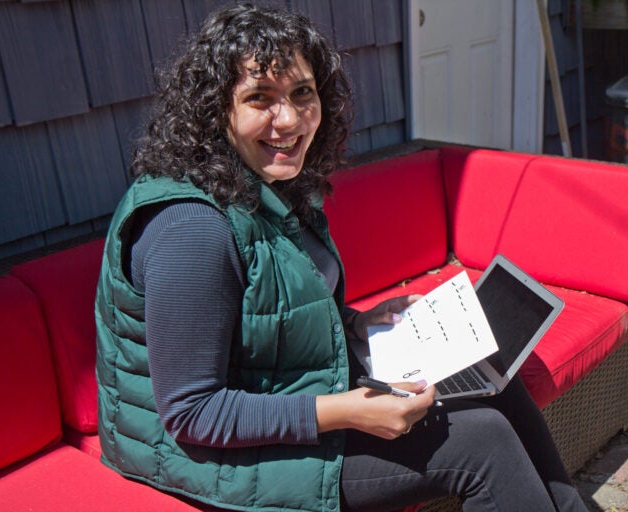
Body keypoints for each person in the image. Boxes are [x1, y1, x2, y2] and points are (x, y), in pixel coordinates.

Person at [95, 4, 588, 512]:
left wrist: (354, 324)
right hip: (205, 451)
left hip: (284, 390)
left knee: (486, 370)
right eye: (259, 98)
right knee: (482, 443)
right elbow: (193, 413)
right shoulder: (190, 231)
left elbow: (266, 315)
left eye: (301, 94)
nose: (287, 119)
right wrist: (348, 412)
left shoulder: (273, 184)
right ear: (215, 110)